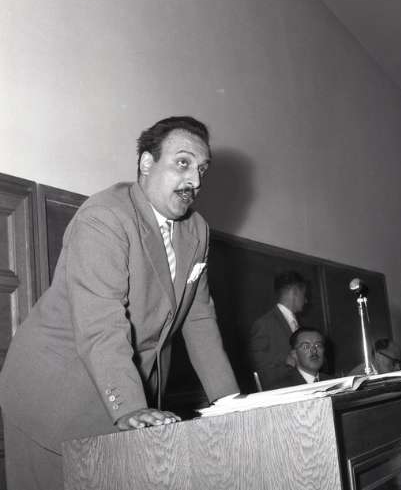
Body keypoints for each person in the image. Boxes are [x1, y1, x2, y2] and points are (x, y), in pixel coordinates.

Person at [0, 116, 239, 490]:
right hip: (53, 393)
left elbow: (199, 320)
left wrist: (232, 405)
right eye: (183, 163)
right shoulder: (105, 216)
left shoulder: (197, 230)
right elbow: (101, 322)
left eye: (202, 169)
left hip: (122, 387)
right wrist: (131, 408)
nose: (195, 180)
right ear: (146, 162)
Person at [248, 271, 307, 390]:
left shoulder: (298, 325)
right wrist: (289, 362)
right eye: (304, 295)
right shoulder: (264, 324)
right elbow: (260, 371)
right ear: (295, 292)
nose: (306, 300)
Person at [267, 327, 332, 390]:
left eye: (318, 345)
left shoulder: (332, 383)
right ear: (294, 354)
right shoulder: (281, 389)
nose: (314, 350)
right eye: (306, 346)